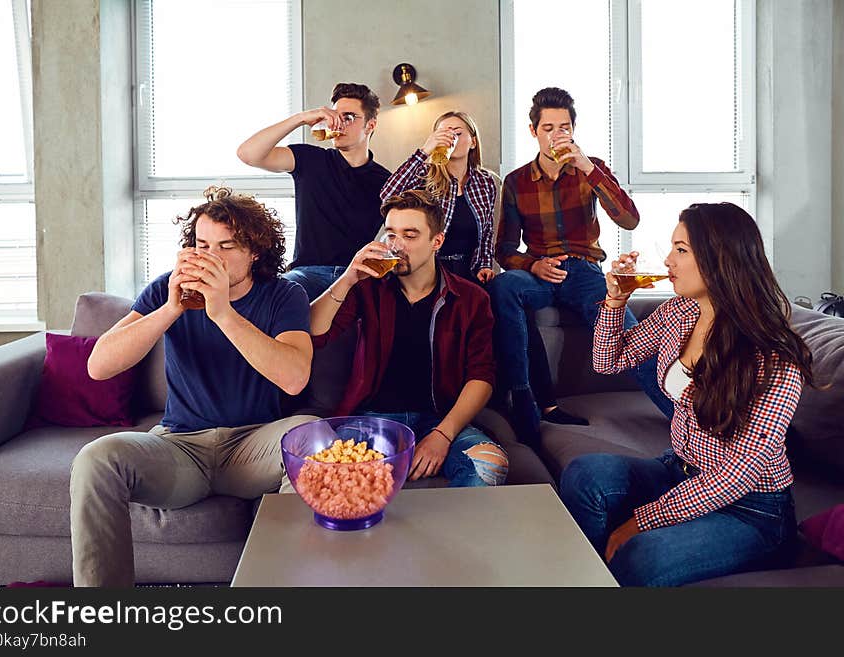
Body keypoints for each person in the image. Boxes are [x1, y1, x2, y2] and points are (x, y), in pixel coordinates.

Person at [70, 186, 317, 586]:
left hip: (252, 447)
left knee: (310, 433)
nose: (210, 257)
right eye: (202, 244)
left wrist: (223, 313)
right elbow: (99, 366)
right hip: (180, 449)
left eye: (226, 246)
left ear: (255, 251)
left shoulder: (284, 294)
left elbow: (294, 378)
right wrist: (170, 308)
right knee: (96, 457)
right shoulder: (167, 289)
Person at [559, 202, 815, 586]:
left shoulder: (774, 357)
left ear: (719, 259)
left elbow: (737, 474)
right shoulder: (679, 312)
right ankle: (590, 578)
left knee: (645, 555)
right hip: (677, 472)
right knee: (585, 474)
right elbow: (607, 361)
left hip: (750, 509)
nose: (667, 260)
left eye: (681, 250)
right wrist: (615, 301)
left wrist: (639, 522)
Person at [488, 87, 673, 446]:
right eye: (548, 128)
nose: (557, 135)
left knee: (630, 337)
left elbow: (630, 220)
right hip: (541, 273)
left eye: (564, 127)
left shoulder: (592, 170)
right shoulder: (516, 182)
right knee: (505, 285)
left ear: (573, 129)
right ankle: (525, 404)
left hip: (585, 272)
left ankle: (687, 417)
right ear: (533, 132)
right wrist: (533, 265)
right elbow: (505, 249)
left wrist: (588, 167)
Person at [310, 189, 508, 487]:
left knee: (490, 465)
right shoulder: (368, 287)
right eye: (391, 234)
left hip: (438, 418)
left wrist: (443, 434)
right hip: (374, 420)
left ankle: (458, 534)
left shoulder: (471, 299)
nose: (397, 245)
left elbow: (482, 376)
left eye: (410, 235)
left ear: (436, 242)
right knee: (329, 472)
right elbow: (314, 333)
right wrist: (349, 276)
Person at [237, 82, 391, 301]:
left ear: (370, 125)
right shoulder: (310, 159)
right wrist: (301, 118)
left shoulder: (386, 181)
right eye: (335, 115)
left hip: (358, 277)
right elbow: (248, 154)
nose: (338, 123)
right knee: (278, 294)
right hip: (307, 274)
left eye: (348, 117)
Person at [380, 110, 498, 284]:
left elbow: (487, 230)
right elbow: (387, 194)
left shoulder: (485, 181)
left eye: (457, 133)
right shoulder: (424, 174)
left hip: (468, 271)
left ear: (473, 142)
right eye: (443, 134)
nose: (451, 139)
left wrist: (485, 265)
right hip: (428, 272)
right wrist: (425, 151)